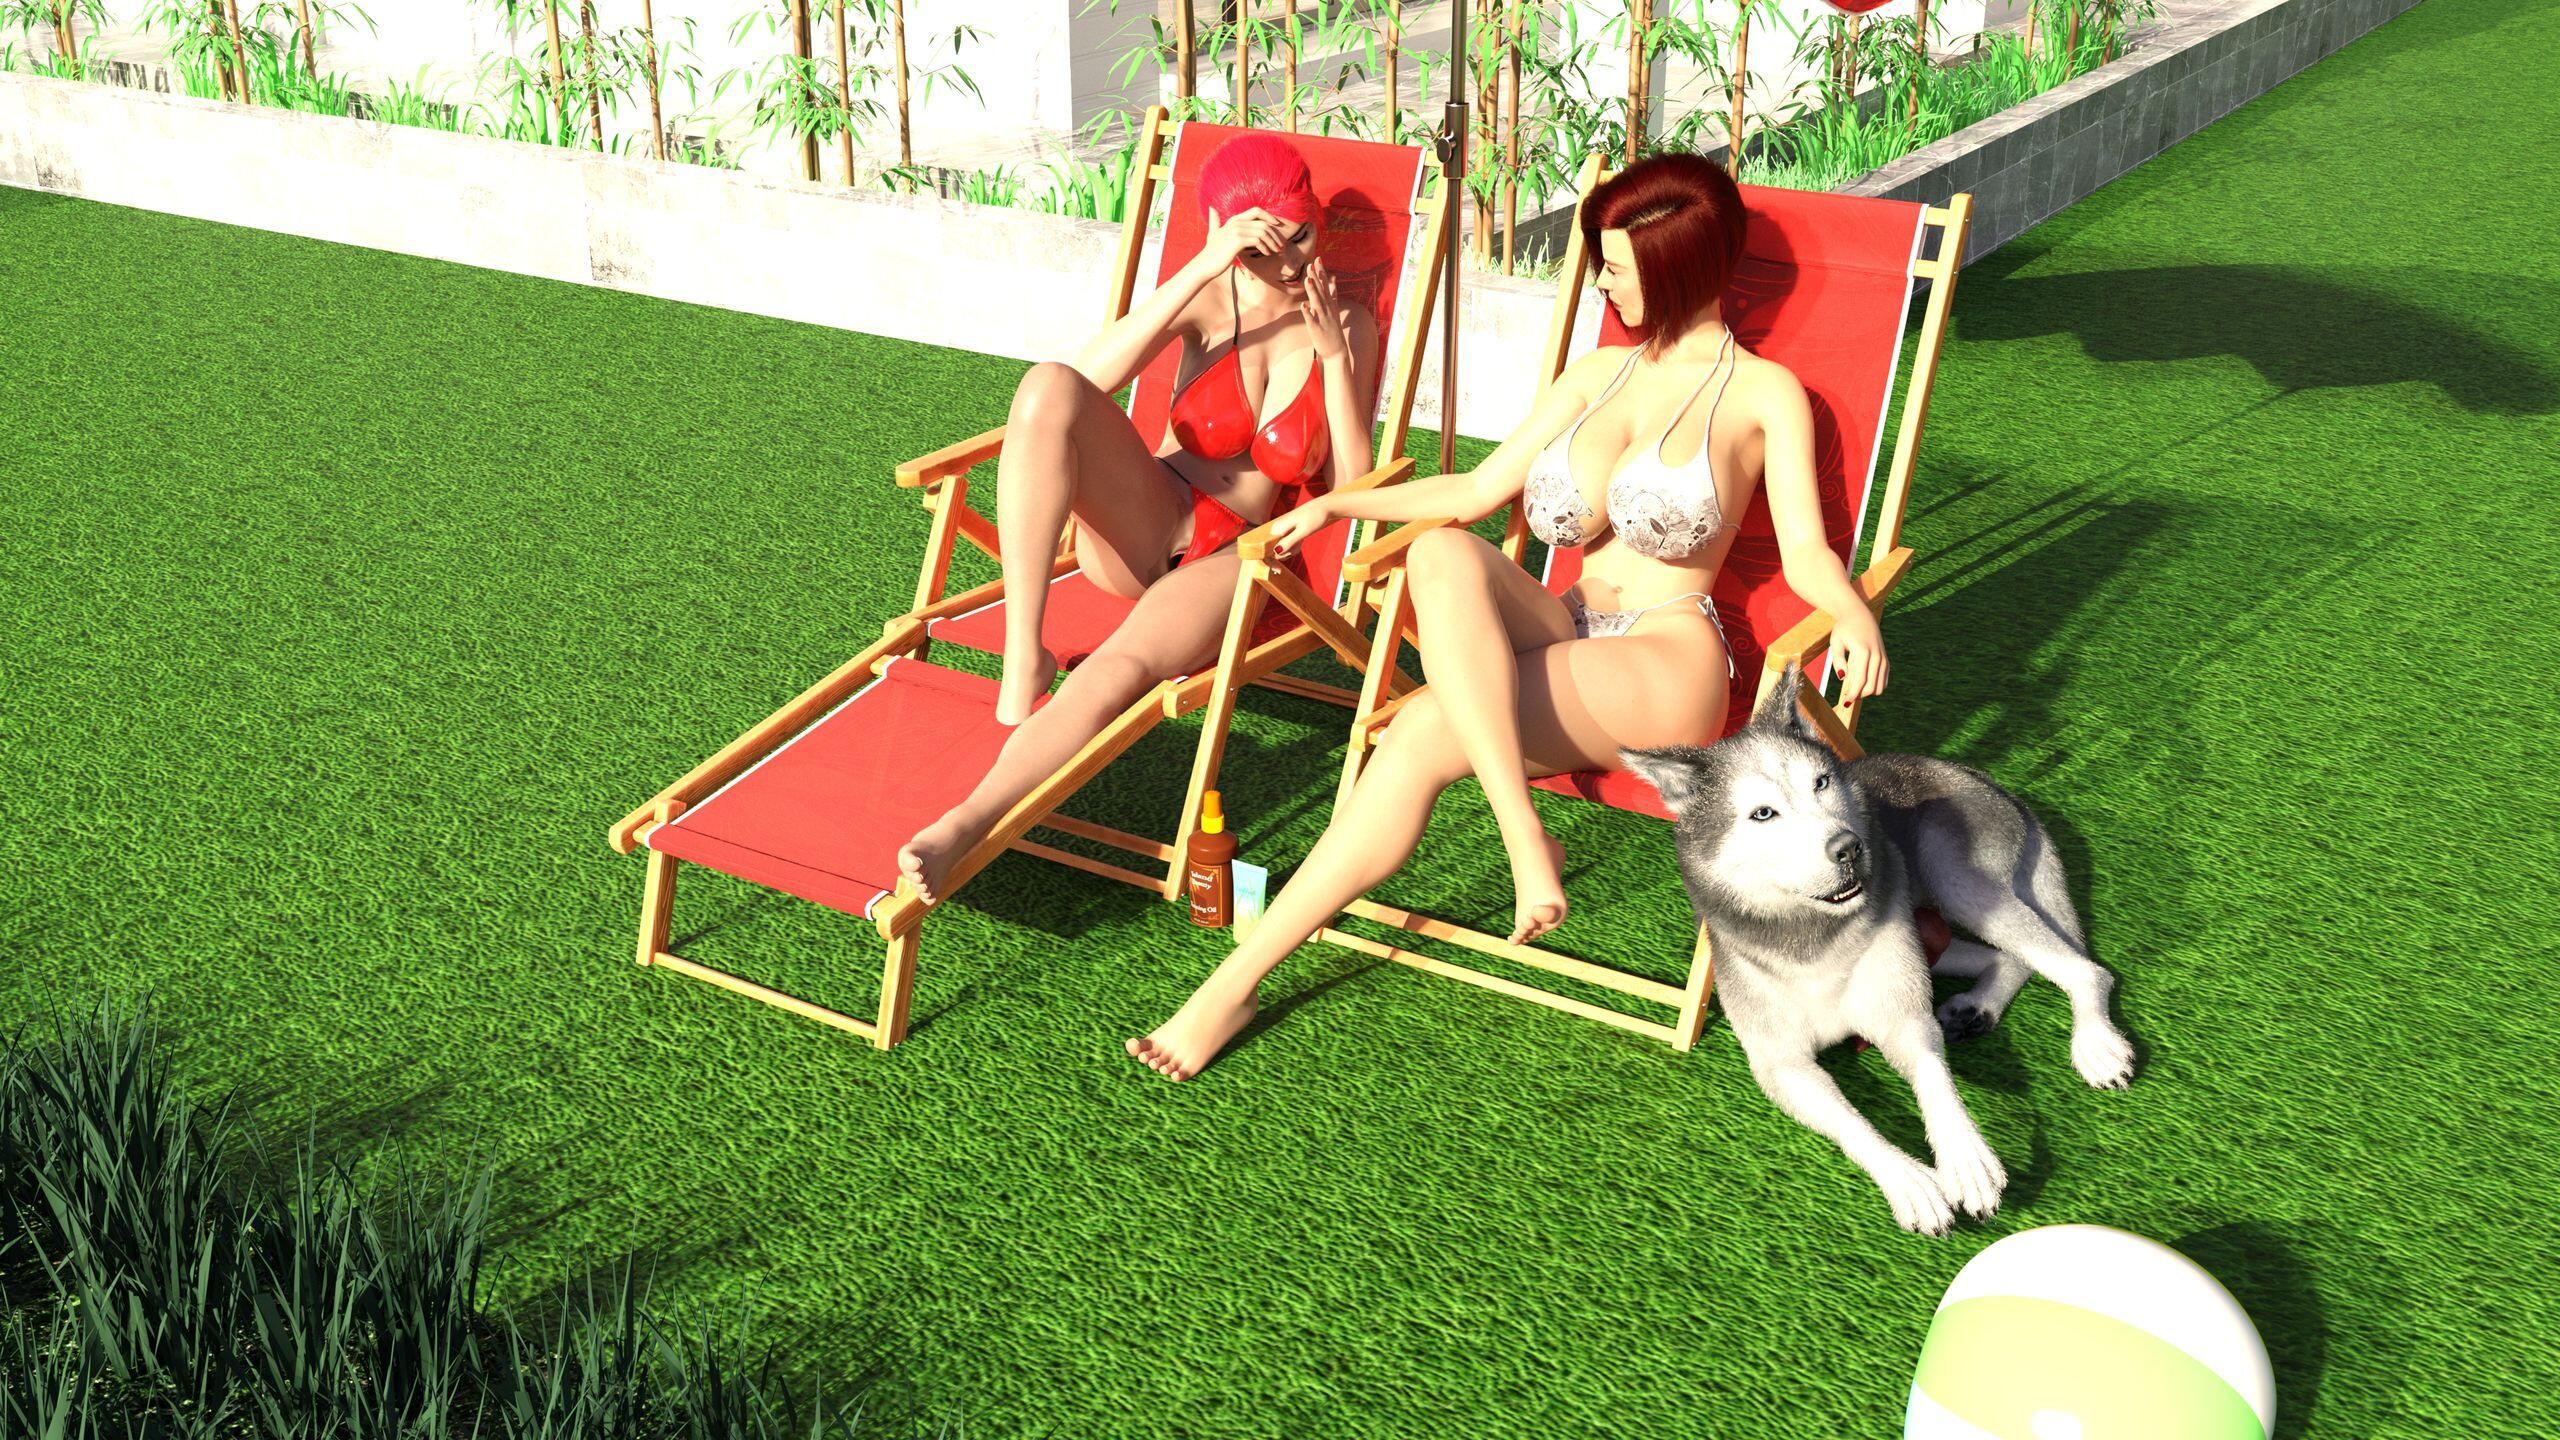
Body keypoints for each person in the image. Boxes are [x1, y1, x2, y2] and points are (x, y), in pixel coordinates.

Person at [1129, 152, 1891, 1081]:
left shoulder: (1763, 394)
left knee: (1418, 731)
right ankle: (1523, 831)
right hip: (1565, 623)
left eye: (1615, 266)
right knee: (1440, 551)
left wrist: (1850, 608)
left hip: (1666, 660)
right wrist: (1332, 505)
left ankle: (1233, 984)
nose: (1601, 282)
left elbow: (1807, 551)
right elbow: (1477, 490)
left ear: (1675, 267)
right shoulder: (1598, 372)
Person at [895, 133, 1383, 904]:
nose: (1290, 263)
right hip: (1149, 518)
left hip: (1239, 557)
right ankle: (1024, 659)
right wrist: (1204, 265)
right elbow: (1082, 382)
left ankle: (964, 824)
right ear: (1228, 238)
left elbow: (1355, 491)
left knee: (1120, 668)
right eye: (1264, 249)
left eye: (1301, 237)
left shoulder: (1344, 323)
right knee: (1046, 385)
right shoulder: (1206, 296)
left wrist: (1332, 361)